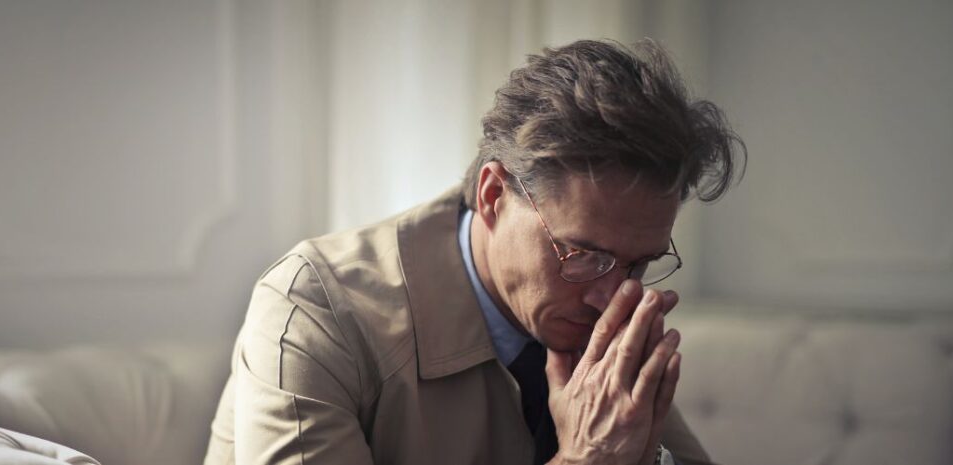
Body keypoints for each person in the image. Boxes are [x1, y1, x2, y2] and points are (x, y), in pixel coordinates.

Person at [204, 38, 745, 465]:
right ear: (493, 196)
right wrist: (587, 460)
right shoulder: (314, 311)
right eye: (582, 254)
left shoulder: (600, 316)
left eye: (639, 264)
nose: (611, 298)